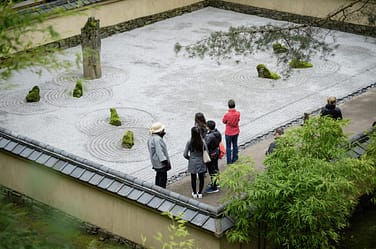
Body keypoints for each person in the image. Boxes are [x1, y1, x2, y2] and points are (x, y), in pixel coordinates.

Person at [183, 126, 207, 199]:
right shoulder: (202, 141)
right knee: (201, 178)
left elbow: (185, 154)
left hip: (192, 161)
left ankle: (194, 192)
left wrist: (190, 158)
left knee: (193, 178)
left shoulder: (189, 142)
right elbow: (206, 151)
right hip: (201, 161)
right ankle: (200, 193)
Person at [147, 122, 171, 189]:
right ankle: (162, 193)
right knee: (163, 179)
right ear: (160, 131)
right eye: (163, 130)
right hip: (161, 164)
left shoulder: (150, 138)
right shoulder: (158, 139)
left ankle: (156, 190)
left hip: (155, 163)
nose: (164, 131)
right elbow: (159, 151)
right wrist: (165, 161)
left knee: (158, 177)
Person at [205, 120, 222, 193]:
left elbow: (206, 145)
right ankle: (217, 182)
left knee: (212, 170)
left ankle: (214, 187)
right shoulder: (218, 133)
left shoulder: (209, 136)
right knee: (216, 168)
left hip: (211, 154)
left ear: (208, 127)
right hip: (217, 151)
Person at [222, 99, 240, 164]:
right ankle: (235, 158)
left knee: (228, 147)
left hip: (229, 132)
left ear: (228, 106)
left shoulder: (227, 115)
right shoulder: (238, 113)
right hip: (236, 131)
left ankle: (229, 161)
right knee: (235, 145)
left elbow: (224, 121)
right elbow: (238, 120)